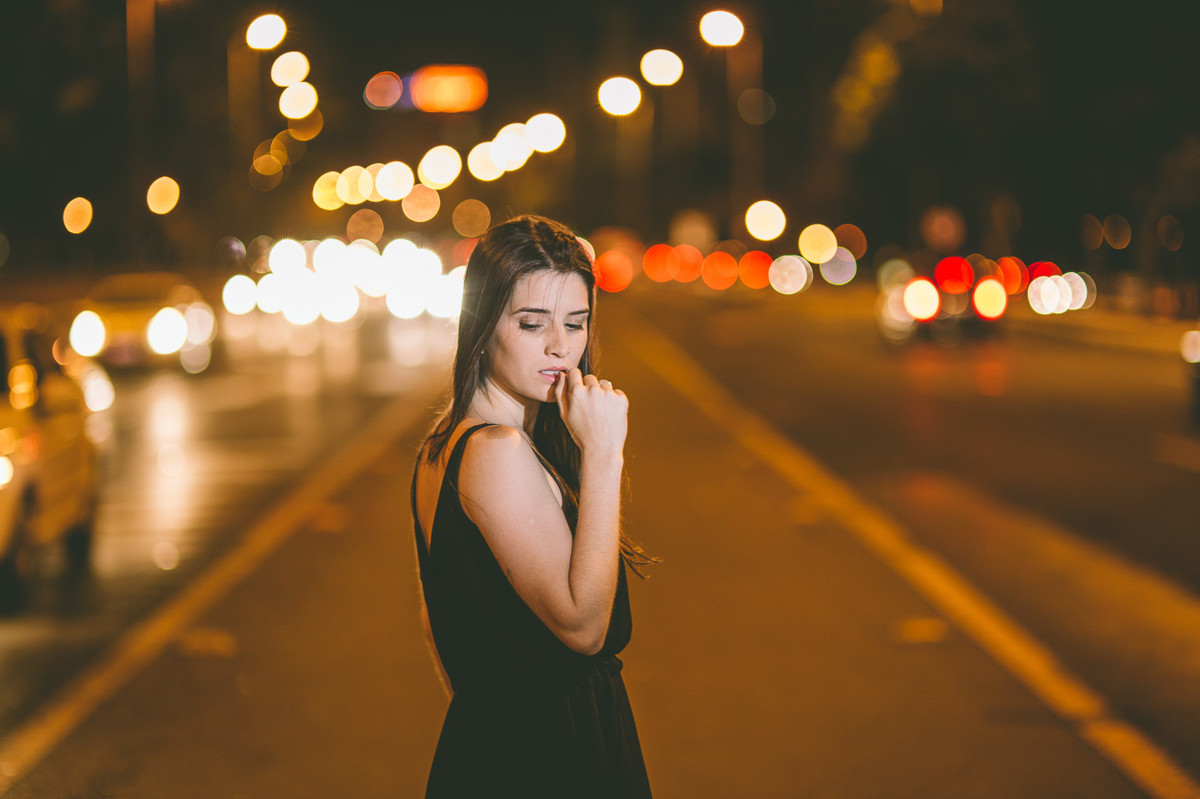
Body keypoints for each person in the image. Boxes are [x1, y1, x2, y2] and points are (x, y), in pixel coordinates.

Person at [410, 215, 654, 797]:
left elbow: (434, 621)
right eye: (531, 323)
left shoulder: (446, 441)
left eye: (576, 323)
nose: (560, 347)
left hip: (504, 746)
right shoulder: (495, 449)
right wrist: (602, 454)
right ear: (482, 321)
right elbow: (585, 626)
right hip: (551, 759)